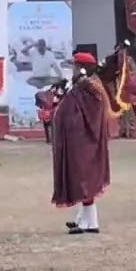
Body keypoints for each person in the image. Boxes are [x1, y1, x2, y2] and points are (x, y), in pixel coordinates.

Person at [51, 52, 111, 234]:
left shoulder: (90, 88)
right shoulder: (79, 86)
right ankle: (84, 220)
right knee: (80, 178)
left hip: (85, 139)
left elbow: (87, 114)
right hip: (77, 139)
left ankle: (90, 223)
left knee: (85, 178)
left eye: (75, 67)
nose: (72, 70)